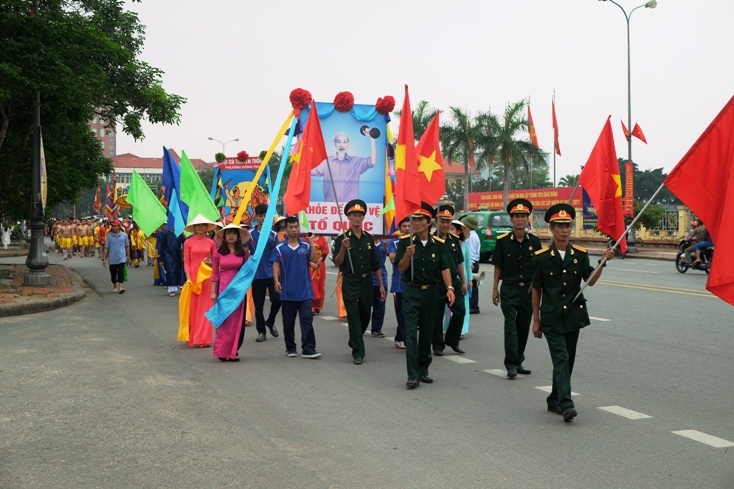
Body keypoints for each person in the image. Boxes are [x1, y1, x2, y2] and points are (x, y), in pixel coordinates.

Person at [531, 204, 615, 422]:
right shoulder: (541, 257)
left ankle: (554, 398)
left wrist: (602, 263)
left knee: (568, 361)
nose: (564, 230)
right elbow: (536, 290)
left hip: (573, 317)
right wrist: (536, 320)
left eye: (567, 225)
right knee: (561, 359)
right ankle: (566, 404)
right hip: (551, 318)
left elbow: (591, 281)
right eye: (559, 226)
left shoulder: (579, 255)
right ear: (551, 229)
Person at [395, 202, 455, 389]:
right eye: (414, 219)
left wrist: (450, 287)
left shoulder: (439, 244)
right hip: (411, 291)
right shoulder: (406, 242)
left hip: (431, 292)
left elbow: (444, 267)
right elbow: (401, 268)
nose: (417, 223)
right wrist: (407, 255)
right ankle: (412, 375)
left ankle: (424, 369)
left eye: (421, 220)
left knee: (427, 332)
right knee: (411, 333)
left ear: (429, 223)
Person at [492, 198, 543, 379]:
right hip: (509, 289)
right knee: (511, 326)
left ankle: (519, 359)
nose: (520, 219)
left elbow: (539, 270)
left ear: (528, 219)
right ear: (511, 220)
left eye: (523, 216)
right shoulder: (503, 241)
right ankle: (511, 364)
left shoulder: (535, 243)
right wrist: (495, 289)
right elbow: (498, 265)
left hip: (528, 291)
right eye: (516, 216)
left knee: (522, 327)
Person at [333, 199, 386, 365]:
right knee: (354, 318)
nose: (357, 218)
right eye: (354, 215)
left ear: (363, 218)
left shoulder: (369, 238)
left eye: (360, 215)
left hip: (366, 281)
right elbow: (337, 263)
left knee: (365, 315)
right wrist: (343, 248)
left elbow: (376, 264)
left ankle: (354, 338)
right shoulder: (342, 239)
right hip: (350, 281)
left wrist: (381, 285)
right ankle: (358, 351)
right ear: (348, 217)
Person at [271, 216, 321, 359]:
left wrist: (311, 242)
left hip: (305, 291)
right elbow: (275, 263)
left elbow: (313, 259)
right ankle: (290, 347)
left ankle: (308, 349)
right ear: (286, 229)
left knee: (307, 320)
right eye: (291, 227)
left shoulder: (305, 246)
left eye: (296, 227)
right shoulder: (280, 247)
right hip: (288, 291)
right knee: (288, 322)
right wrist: (276, 281)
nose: (294, 229)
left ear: (299, 228)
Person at [211, 223, 250, 362]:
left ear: (238, 236)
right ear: (224, 236)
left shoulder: (243, 253)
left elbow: (246, 272)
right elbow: (214, 273)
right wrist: (213, 292)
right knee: (224, 320)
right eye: (229, 233)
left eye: (234, 233)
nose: (231, 235)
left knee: (236, 321)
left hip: (238, 290)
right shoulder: (218, 253)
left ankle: (233, 351)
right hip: (223, 289)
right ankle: (222, 351)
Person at [432, 205, 467, 356]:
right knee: (436, 315)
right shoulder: (431, 240)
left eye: (448, 221)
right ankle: (438, 345)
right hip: (436, 283)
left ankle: (452, 340)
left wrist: (464, 281)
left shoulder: (454, 240)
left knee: (460, 310)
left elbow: (459, 262)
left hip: (454, 281)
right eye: (442, 221)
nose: (445, 225)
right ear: (435, 222)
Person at [311, 130, 377, 203]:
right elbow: (308, 170)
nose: (341, 145)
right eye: (338, 142)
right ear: (334, 144)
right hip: (330, 207)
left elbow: (372, 161)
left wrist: (372, 139)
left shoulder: (356, 162)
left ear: (348, 144)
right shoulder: (325, 161)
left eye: (345, 142)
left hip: (351, 208)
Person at [182, 214, 218, 348]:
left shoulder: (211, 243)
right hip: (194, 279)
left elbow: (216, 261)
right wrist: (189, 279)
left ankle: (204, 338)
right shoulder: (188, 242)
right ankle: (192, 336)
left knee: (205, 308)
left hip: (207, 278)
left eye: (203, 225)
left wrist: (210, 264)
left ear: (207, 227)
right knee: (193, 308)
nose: (201, 228)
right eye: (198, 225)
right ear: (194, 228)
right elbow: (186, 262)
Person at [250, 204, 281, 342]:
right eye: (260, 216)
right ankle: (261, 331)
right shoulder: (250, 235)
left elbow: (277, 254)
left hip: (271, 275)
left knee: (278, 300)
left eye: (265, 216)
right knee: (259, 306)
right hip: (257, 276)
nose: (262, 218)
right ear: (256, 217)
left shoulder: (273, 235)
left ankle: (270, 321)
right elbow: (244, 252)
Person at [443, 220, 472, 338]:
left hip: (461, 280)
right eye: (449, 228)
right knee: (448, 306)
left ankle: (461, 330)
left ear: (459, 231)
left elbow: (466, 264)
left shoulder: (464, 246)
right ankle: (449, 327)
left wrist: (468, 280)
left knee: (462, 306)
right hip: (447, 280)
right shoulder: (442, 244)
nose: (450, 231)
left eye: (452, 229)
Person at [387, 217, 411, 349]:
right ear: (399, 228)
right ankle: (404, 338)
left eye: (409, 226)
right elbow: (392, 258)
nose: (407, 228)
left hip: (412, 284)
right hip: (399, 285)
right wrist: (406, 253)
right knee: (401, 313)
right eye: (404, 226)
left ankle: (400, 337)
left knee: (409, 313)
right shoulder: (394, 243)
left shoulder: (416, 242)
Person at [102, 219, 131, 294]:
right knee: (113, 273)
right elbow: (106, 248)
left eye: (115, 226)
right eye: (112, 226)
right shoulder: (109, 236)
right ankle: (114, 285)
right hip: (112, 258)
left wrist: (128, 257)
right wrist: (104, 259)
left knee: (121, 272)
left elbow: (127, 246)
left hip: (121, 257)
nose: (113, 227)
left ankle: (120, 287)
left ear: (119, 226)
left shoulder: (124, 236)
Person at [369, 235, 388, 338]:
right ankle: (360, 327)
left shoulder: (384, 244)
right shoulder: (366, 242)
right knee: (365, 306)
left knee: (380, 305)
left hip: (382, 278)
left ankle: (376, 329)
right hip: (368, 278)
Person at [462, 215, 481, 314]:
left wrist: (471, 264)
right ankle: (472, 305)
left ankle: (473, 306)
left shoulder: (471, 237)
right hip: (472, 262)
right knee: (472, 284)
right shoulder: (473, 235)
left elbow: (472, 252)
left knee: (472, 284)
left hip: (472, 263)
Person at [159, 225, 185, 296]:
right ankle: (171, 289)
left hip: (177, 255)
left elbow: (185, 242)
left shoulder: (179, 234)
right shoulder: (165, 234)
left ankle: (176, 285)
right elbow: (162, 247)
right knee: (170, 270)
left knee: (177, 270)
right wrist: (161, 259)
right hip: (168, 255)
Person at [310, 233, 329, 314]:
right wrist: (310, 262)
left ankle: (318, 305)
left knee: (320, 284)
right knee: (312, 284)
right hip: (310, 265)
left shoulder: (321, 237)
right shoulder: (305, 238)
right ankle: (311, 306)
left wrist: (321, 259)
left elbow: (326, 250)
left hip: (320, 265)